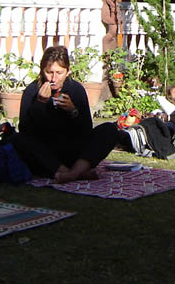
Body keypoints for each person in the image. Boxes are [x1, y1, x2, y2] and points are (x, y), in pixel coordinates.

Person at [11, 46, 119, 183]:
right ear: (42, 70)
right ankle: (73, 173)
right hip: (46, 151)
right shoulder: (32, 91)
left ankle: (71, 173)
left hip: (72, 148)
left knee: (109, 129)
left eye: (59, 73)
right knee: (17, 139)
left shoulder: (76, 90)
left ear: (68, 72)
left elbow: (86, 130)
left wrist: (73, 111)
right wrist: (40, 102)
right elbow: (26, 130)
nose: (54, 78)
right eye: (49, 72)